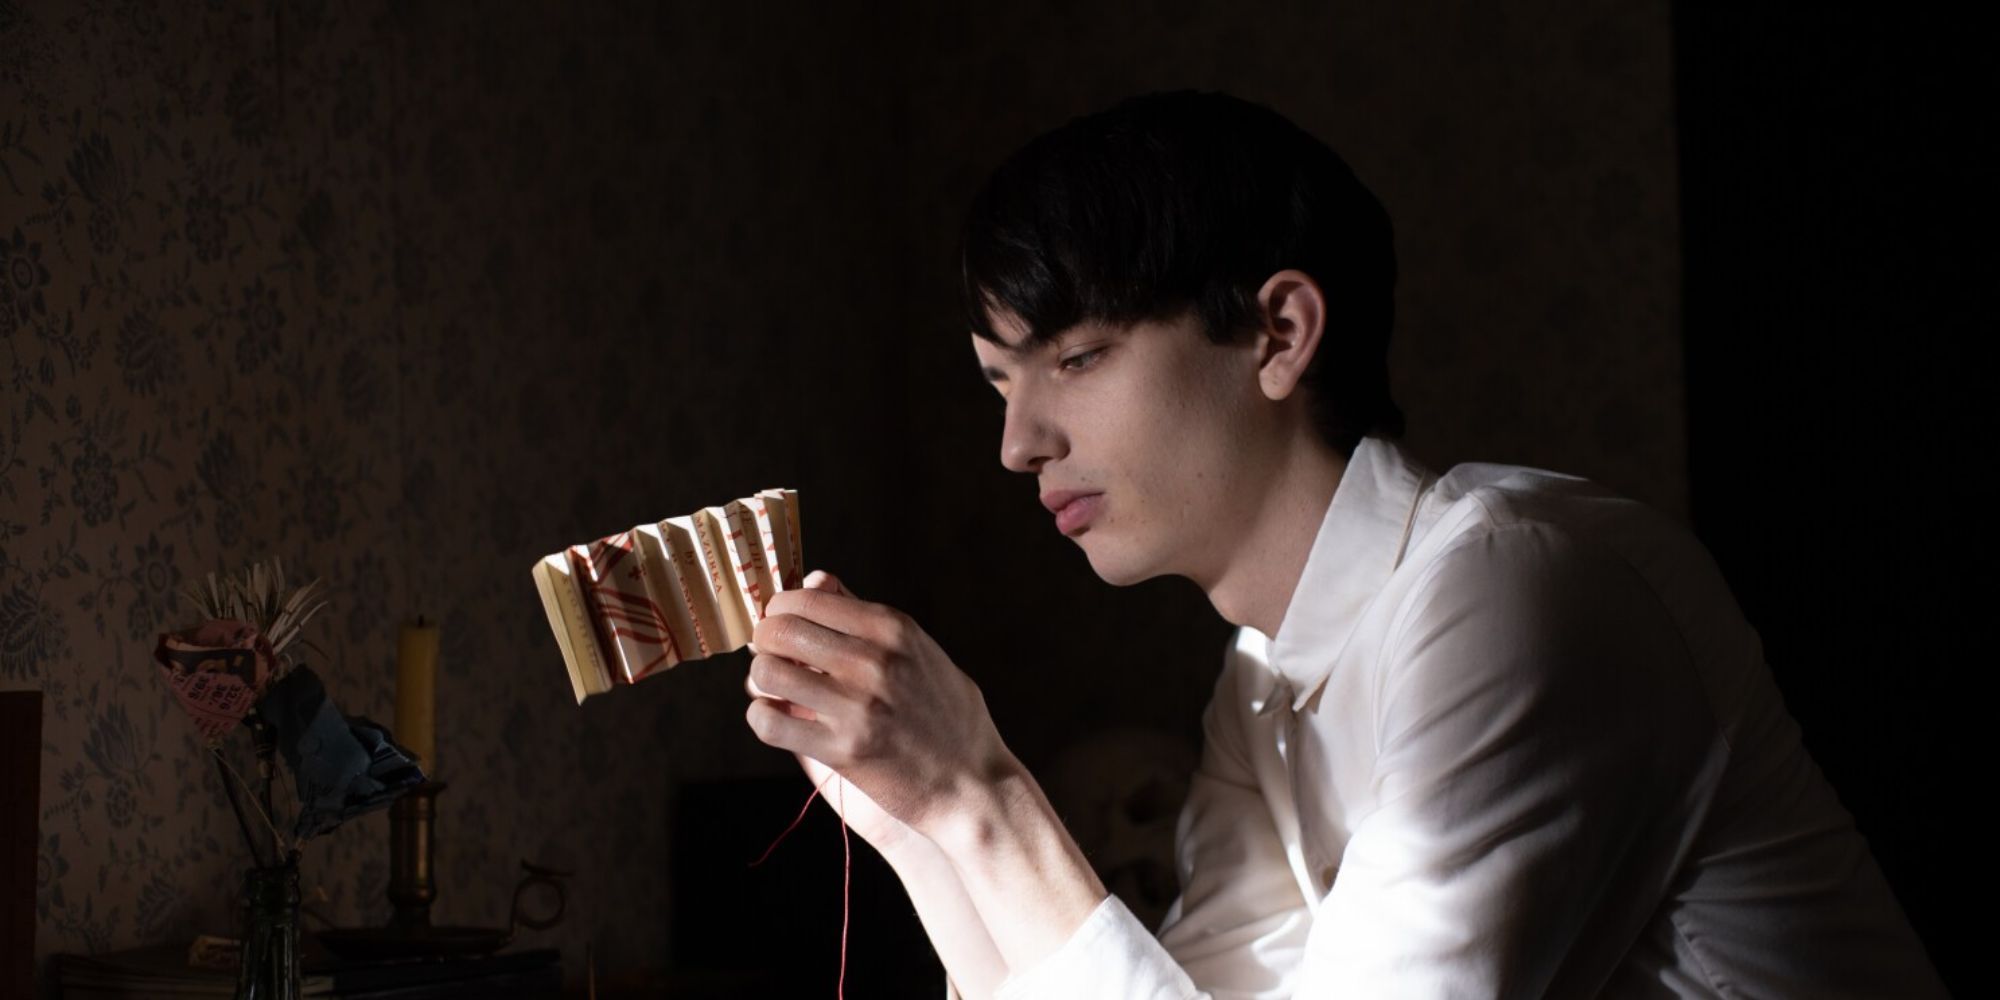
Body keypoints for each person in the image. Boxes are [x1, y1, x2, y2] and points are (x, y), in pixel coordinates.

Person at [742, 90, 1945, 998]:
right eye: (998, 382)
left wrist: (984, 793)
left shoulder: (1512, 590)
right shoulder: (1264, 676)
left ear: (1276, 333)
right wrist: (923, 829)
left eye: (1074, 358)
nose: (1018, 441)